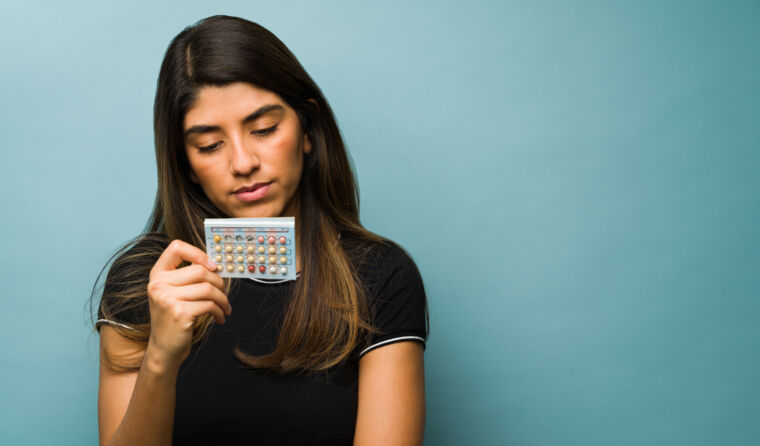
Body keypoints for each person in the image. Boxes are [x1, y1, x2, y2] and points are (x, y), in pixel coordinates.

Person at [91, 14, 429, 446]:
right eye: (209, 145)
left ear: (307, 129)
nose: (243, 163)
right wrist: (160, 357)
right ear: (186, 164)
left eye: (264, 129)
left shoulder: (380, 276)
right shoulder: (143, 280)